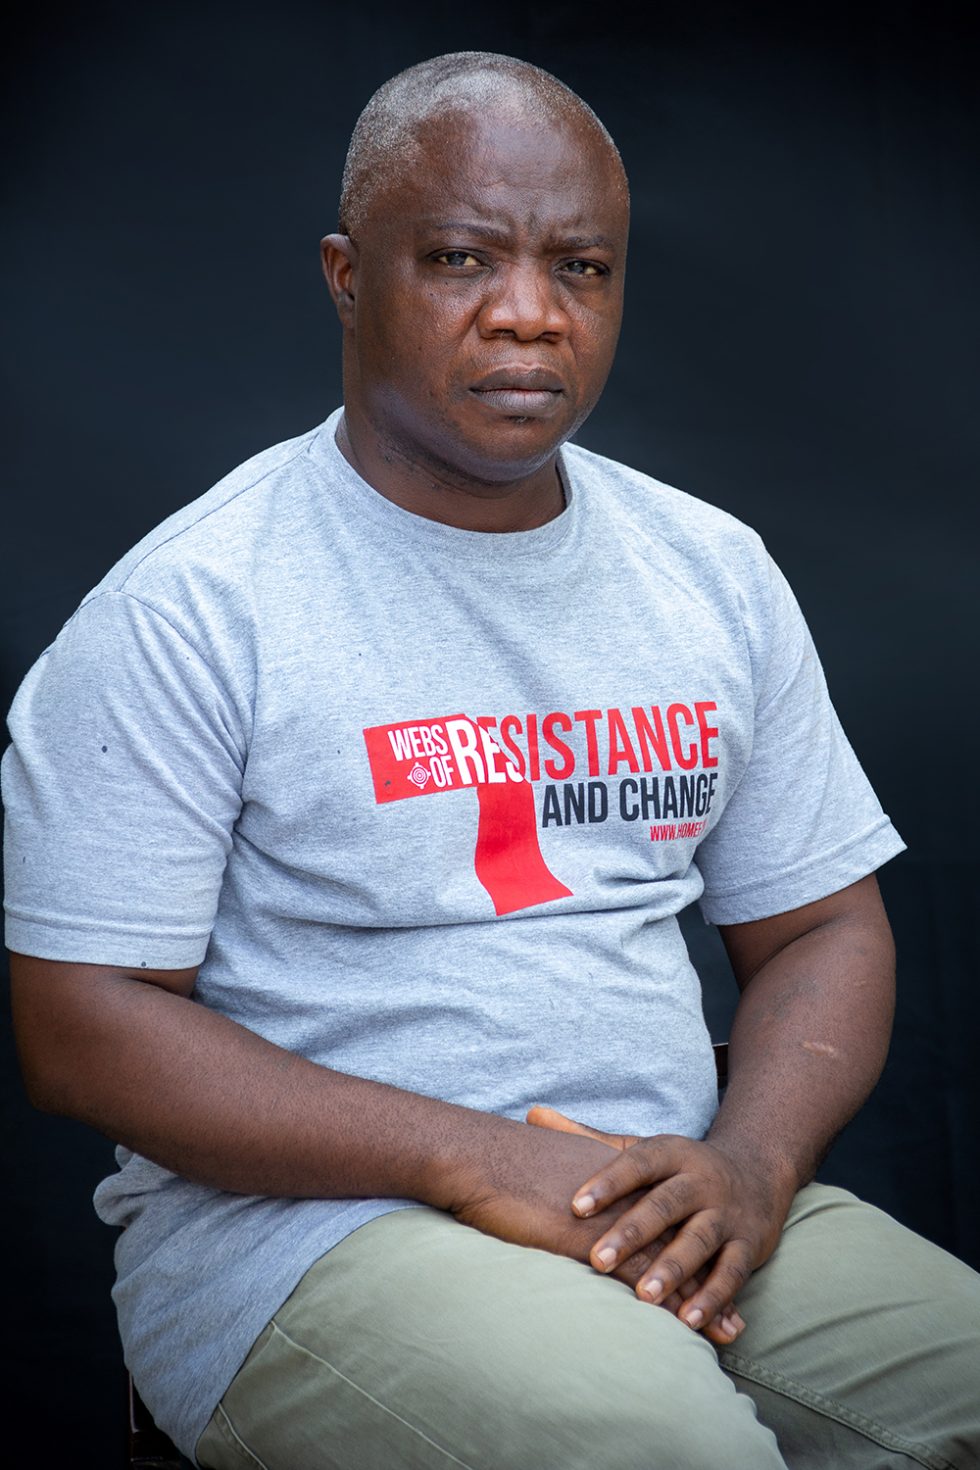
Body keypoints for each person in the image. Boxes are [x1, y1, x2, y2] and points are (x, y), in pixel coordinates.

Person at [4, 50, 979, 1470]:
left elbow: (825, 926)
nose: (530, 312)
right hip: (311, 1242)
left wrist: (752, 1168)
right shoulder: (195, 604)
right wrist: (474, 1153)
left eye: (581, 267)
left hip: (669, 1190)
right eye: (461, 259)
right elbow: (79, 1023)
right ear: (349, 276)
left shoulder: (710, 571)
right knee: (672, 1449)